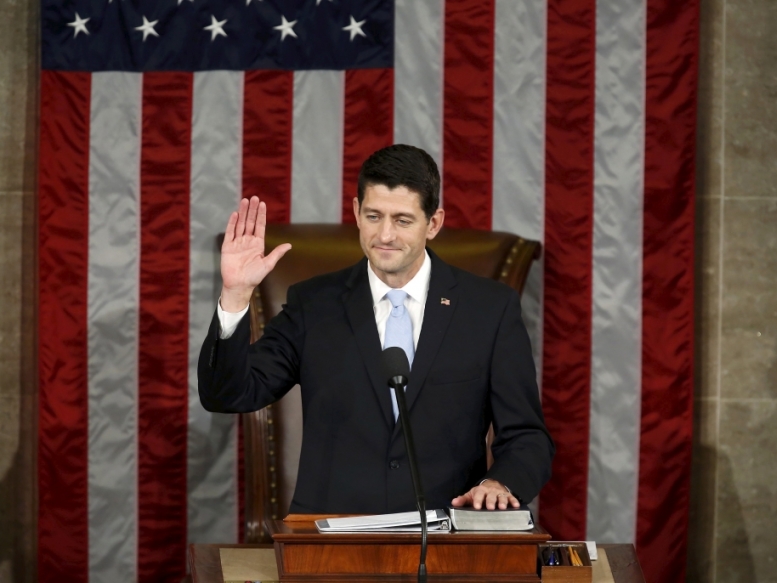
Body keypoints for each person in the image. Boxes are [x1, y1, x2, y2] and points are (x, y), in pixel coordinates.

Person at [198, 145, 554, 514]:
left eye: (402, 220)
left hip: (444, 539)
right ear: (355, 212)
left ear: (433, 223)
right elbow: (230, 394)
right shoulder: (315, 303)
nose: (385, 235)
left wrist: (499, 483)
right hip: (331, 541)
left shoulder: (488, 309)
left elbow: (527, 436)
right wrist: (236, 295)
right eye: (373, 216)